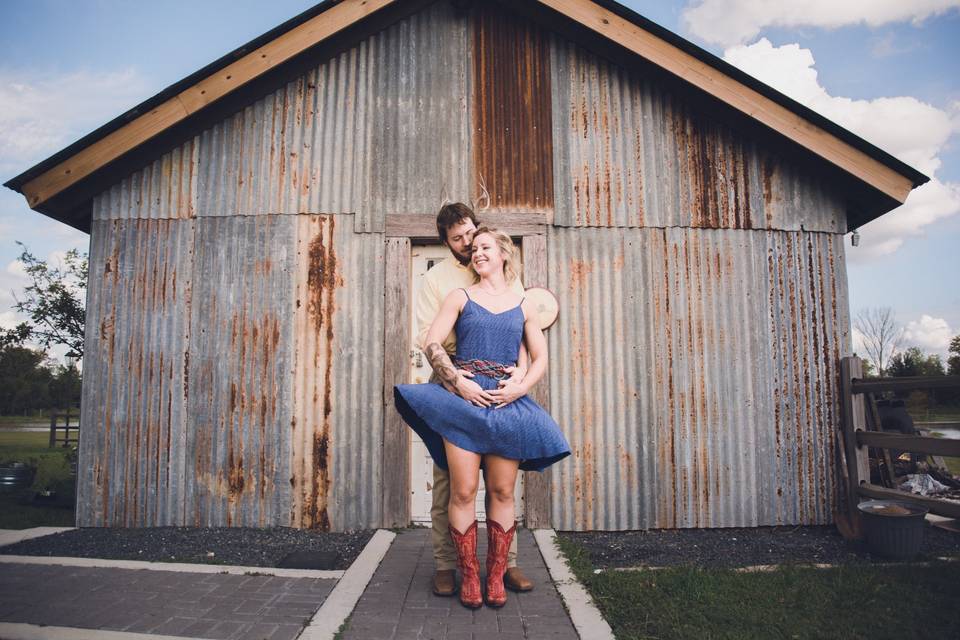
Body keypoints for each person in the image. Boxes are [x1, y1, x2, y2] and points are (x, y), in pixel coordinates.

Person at [396, 225, 571, 608]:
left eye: (485, 247)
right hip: (463, 404)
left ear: (504, 253)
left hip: (506, 404)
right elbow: (431, 341)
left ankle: (496, 576)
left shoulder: (523, 302)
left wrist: (520, 386)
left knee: (503, 491)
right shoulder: (460, 296)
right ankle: (469, 576)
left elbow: (540, 357)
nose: (477, 253)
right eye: (473, 248)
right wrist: (457, 381)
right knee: (462, 491)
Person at [412, 204, 533, 600]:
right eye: (458, 239)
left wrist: (521, 372)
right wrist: (454, 380)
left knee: (502, 482)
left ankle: (506, 565)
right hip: (452, 376)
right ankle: (448, 566)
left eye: (470, 234)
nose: (468, 245)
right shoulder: (439, 279)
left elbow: (523, 330)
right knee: (452, 481)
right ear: (447, 243)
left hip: (499, 383)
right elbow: (427, 337)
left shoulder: (501, 268)